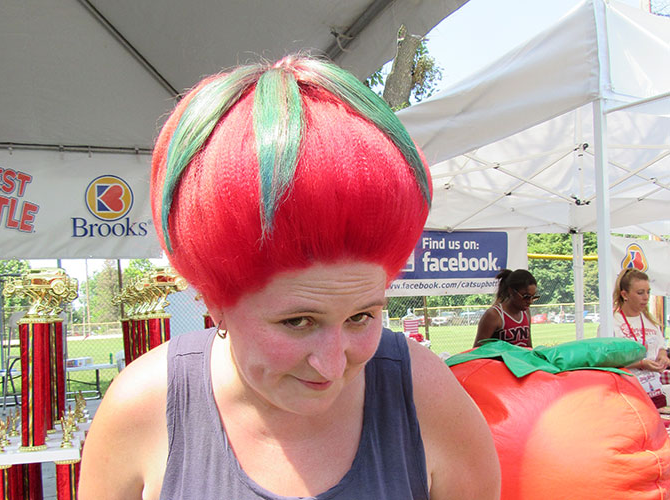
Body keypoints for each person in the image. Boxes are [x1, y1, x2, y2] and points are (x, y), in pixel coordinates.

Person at [78, 55, 500, 500]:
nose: (333, 365)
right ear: (213, 300)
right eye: (298, 321)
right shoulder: (143, 408)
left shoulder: (425, 395)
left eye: (361, 316)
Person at [610, 268, 670, 408]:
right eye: (640, 293)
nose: (646, 297)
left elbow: (660, 347)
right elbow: (609, 360)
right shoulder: (613, 323)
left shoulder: (650, 321)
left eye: (648, 292)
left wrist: (663, 357)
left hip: (654, 392)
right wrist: (641, 364)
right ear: (625, 294)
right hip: (628, 396)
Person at [473, 269, 537, 348]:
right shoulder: (494, 315)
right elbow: (477, 351)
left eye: (533, 297)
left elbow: (528, 347)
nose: (530, 301)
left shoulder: (526, 312)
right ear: (511, 291)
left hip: (520, 360)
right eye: (526, 296)